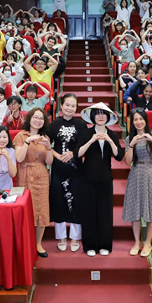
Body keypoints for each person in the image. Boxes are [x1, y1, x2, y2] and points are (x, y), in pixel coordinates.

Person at [76, 103, 124, 257]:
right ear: (93, 117)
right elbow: (78, 153)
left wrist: (109, 140)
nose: (101, 117)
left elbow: (119, 156)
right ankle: (90, 245)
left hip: (106, 179)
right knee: (89, 211)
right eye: (97, 114)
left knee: (105, 212)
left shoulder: (113, 135)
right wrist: (91, 140)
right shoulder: (85, 133)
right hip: (88, 177)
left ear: (108, 117)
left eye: (104, 114)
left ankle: (104, 245)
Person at [123, 111, 152, 258]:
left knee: (150, 209)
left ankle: (148, 242)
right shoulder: (130, 137)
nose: (138, 122)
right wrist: (131, 144)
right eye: (135, 120)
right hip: (136, 172)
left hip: (151, 172)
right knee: (135, 210)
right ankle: (137, 242)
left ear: (146, 121)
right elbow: (127, 161)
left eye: (141, 119)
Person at [48, 94, 88, 252]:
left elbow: (83, 146)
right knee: (58, 200)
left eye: (73, 106)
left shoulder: (81, 125)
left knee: (77, 200)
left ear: (76, 108)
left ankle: (76, 237)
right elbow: (46, 143)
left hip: (76, 169)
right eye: (67, 105)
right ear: (61, 106)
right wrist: (57, 156)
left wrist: (73, 153)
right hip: (58, 169)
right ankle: (62, 236)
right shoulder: (54, 124)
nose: (69, 108)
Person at [14, 108, 54, 258]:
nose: (38, 120)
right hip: (26, 174)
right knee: (27, 209)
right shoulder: (20, 135)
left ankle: (38, 243)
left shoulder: (45, 137)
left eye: (41, 118)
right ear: (30, 118)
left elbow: (49, 161)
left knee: (42, 209)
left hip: (42, 175)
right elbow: (19, 158)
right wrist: (27, 142)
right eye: (35, 117)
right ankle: (26, 243)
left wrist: (49, 147)